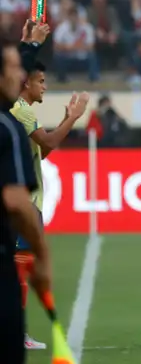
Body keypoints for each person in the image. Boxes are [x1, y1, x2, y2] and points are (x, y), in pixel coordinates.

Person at [11, 61, 88, 350]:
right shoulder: (21, 110)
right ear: (26, 83)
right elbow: (50, 142)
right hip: (25, 204)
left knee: (20, 269)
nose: (44, 86)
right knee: (19, 270)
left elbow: (40, 152)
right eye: (40, 81)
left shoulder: (17, 112)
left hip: (27, 201)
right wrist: (73, 118)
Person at [0, 35, 52, 364]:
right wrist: (43, 255)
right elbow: (17, 202)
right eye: (15, 68)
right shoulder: (9, 126)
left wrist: (29, 45)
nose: (21, 76)